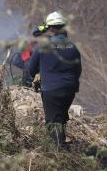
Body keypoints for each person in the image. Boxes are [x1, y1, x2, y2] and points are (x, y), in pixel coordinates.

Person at [28, 11, 82, 148]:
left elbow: (31, 68)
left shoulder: (42, 45)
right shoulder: (72, 46)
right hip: (70, 88)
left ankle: (58, 151)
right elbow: (78, 69)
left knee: (53, 121)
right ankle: (62, 143)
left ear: (50, 28)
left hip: (51, 89)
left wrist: (38, 75)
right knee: (61, 116)